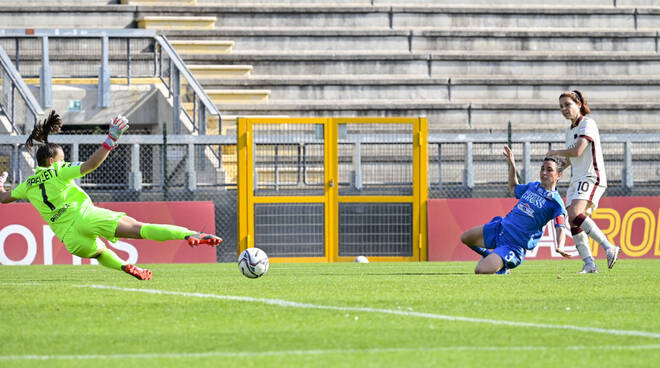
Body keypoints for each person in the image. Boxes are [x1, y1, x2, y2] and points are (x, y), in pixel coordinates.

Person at [0, 111, 222, 280]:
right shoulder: (57, 170)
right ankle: (191, 234)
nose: (64, 161)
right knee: (137, 228)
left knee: (99, 253)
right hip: (85, 216)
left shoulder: (27, 184)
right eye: (62, 158)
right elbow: (89, 165)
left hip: (70, 239)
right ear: (51, 161)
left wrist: (1, 185)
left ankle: (125, 267)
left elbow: (3, 198)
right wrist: (111, 139)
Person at [460, 146, 570, 274]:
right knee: (465, 238)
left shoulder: (556, 203)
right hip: (500, 229)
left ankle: (502, 267)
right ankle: (491, 257)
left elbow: (560, 227)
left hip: (514, 245)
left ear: (559, 175)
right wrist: (512, 164)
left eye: (549, 170)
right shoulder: (532, 186)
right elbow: (513, 187)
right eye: (542, 169)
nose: (544, 173)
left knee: (480, 270)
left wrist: (560, 246)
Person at [546, 90, 621, 274]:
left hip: (591, 176)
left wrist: (555, 152)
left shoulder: (588, 123)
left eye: (568, 104)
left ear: (578, 104)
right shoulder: (569, 130)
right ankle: (589, 263)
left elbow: (578, 150)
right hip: (576, 179)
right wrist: (561, 168)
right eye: (561, 106)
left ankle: (608, 247)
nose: (564, 109)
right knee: (574, 222)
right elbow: (573, 157)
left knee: (574, 213)